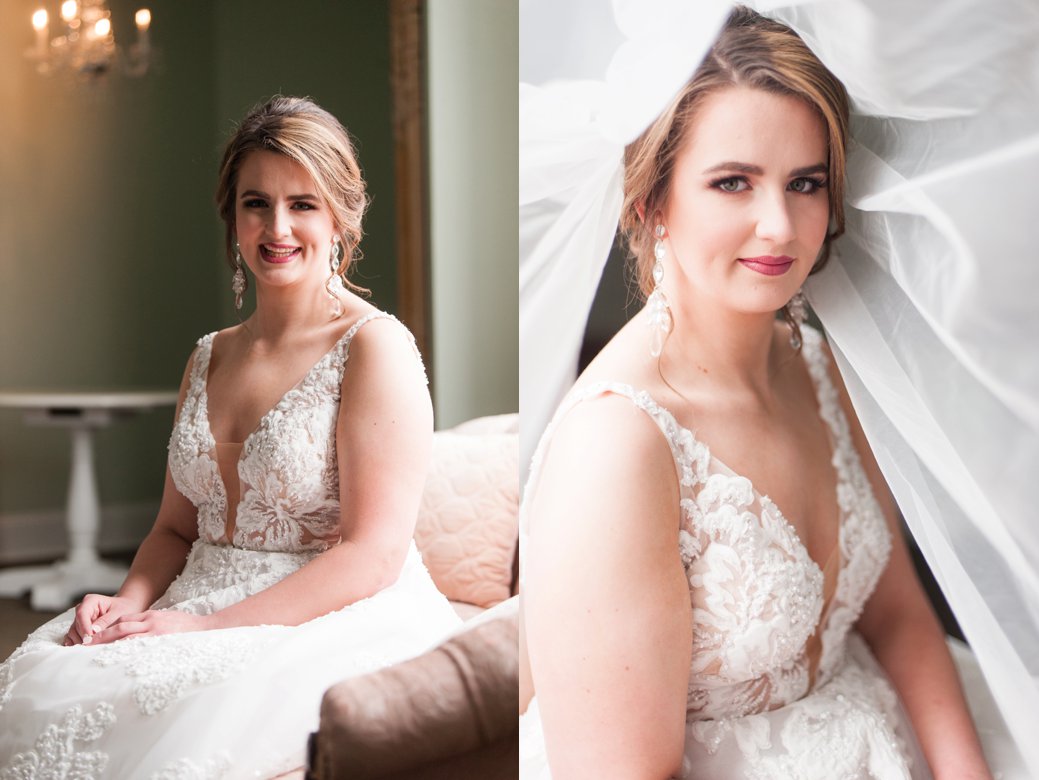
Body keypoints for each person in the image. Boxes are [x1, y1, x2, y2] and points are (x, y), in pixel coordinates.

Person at [519, 8, 996, 779]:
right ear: (650, 202)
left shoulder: (816, 363)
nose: (779, 226)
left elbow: (899, 617)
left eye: (803, 183)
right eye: (732, 182)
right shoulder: (617, 448)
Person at [0, 96, 460, 777]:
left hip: (320, 613)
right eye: (256, 203)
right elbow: (173, 530)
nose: (277, 227)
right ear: (232, 217)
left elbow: (373, 555)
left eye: (302, 203)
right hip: (195, 593)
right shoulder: (208, 354)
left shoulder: (374, 347)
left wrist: (208, 629)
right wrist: (125, 603)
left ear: (340, 217)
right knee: (43, 682)